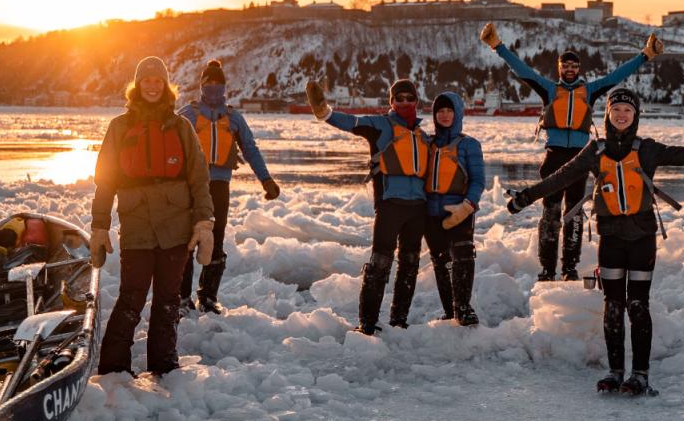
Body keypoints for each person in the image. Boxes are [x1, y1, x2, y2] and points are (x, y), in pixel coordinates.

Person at [507, 88, 684, 395]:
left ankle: (640, 374)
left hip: (642, 238)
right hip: (610, 237)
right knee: (613, 305)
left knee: (638, 305)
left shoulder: (648, 149)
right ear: (608, 115)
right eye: (616, 110)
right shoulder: (595, 151)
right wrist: (525, 197)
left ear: (636, 116)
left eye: (627, 111)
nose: (621, 115)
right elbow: (560, 177)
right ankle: (616, 371)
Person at [481, 22, 663, 281]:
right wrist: (496, 45)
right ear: (559, 68)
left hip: (579, 159)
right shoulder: (549, 89)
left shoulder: (588, 91)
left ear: (579, 69)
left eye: (573, 66)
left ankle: (569, 268)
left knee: (574, 213)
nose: (569, 69)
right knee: (550, 213)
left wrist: (646, 54)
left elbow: (616, 76)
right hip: (554, 156)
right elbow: (521, 69)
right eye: (565, 66)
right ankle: (547, 269)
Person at [89, 56, 216, 377]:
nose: (151, 86)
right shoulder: (119, 127)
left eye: (157, 81)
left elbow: (199, 177)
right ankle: (114, 367)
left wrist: (204, 223)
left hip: (176, 226)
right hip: (137, 226)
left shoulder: (181, 127)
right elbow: (105, 180)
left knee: (168, 299)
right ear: (137, 85)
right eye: (146, 80)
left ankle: (164, 364)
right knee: (131, 295)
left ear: (165, 86)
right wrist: (100, 226)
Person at [305, 77, 432, 335]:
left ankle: (399, 320)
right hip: (389, 204)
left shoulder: (422, 135)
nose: (405, 103)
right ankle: (368, 322)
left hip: (418, 207)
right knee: (380, 262)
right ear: (391, 102)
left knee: (409, 263)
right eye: (399, 98)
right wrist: (324, 112)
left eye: (410, 98)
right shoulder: (379, 125)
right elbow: (350, 122)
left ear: (417, 101)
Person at [176, 59, 280, 314]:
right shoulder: (187, 114)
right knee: (187, 241)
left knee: (216, 239)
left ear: (225, 86)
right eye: (208, 83)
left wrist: (266, 179)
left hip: (219, 187)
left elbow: (251, 150)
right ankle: (180, 298)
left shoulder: (234, 118)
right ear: (201, 85)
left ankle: (208, 297)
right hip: (190, 186)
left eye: (218, 83)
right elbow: (167, 144)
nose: (213, 88)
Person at [423, 91, 486, 326]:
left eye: (449, 110)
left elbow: (478, 180)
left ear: (458, 113)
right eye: (440, 111)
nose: (445, 115)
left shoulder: (469, 145)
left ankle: (463, 308)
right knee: (441, 261)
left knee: (463, 256)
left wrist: (467, 205)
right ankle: (450, 311)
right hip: (431, 213)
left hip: (460, 209)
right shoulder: (427, 143)